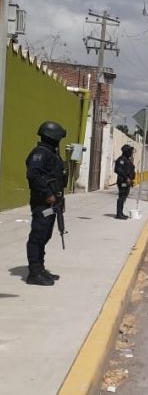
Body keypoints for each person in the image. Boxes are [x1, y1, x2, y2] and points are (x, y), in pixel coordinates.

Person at [25, 121, 67, 286]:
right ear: (53, 137)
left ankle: (40, 268)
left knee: (45, 235)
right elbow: (33, 175)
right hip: (43, 202)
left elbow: (55, 178)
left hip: (52, 202)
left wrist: (59, 199)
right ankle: (34, 273)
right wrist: (48, 194)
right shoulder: (40, 153)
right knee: (38, 235)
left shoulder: (51, 153)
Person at [114, 144, 136, 220]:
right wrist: (126, 178)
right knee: (122, 196)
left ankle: (121, 212)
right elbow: (118, 170)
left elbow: (130, 170)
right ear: (126, 151)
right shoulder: (121, 160)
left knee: (124, 197)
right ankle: (118, 214)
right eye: (130, 151)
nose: (131, 153)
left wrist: (131, 179)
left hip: (127, 181)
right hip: (122, 181)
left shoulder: (127, 160)